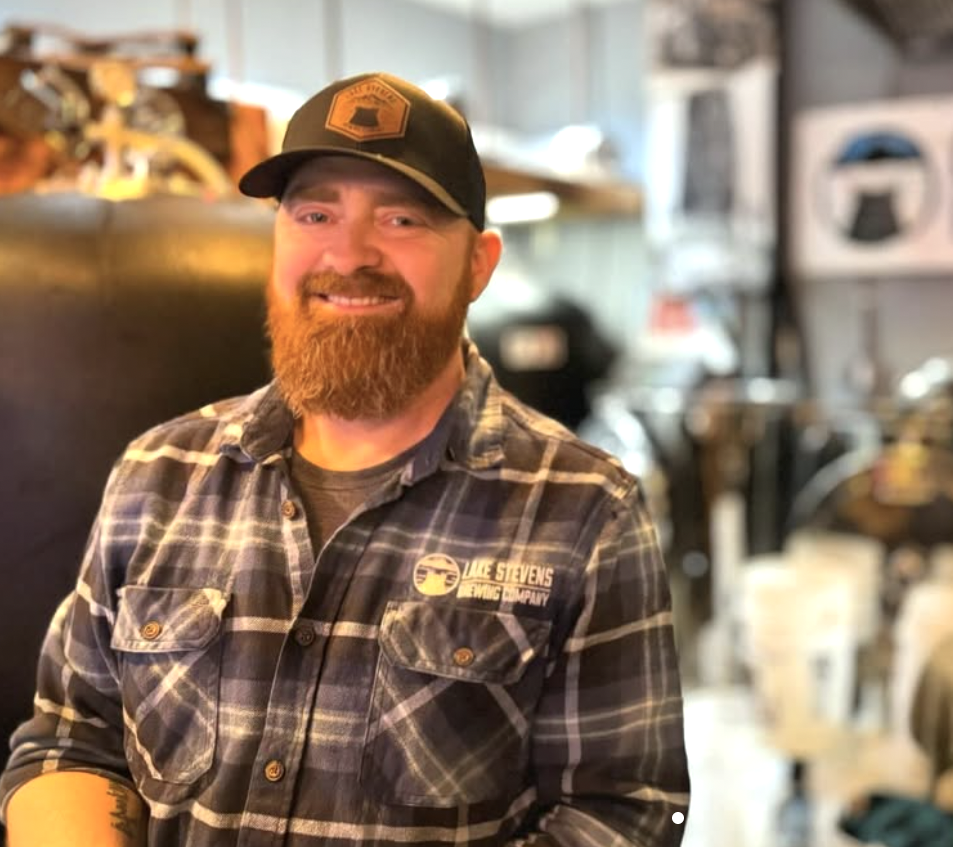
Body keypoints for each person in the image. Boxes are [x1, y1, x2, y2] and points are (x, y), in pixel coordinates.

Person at [0, 71, 690, 847]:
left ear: (479, 264)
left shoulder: (587, 512)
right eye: (315, 213)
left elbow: (623, 811)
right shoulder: (157, 474)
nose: (350, 253)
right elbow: (72, 739)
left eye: (401, 218)